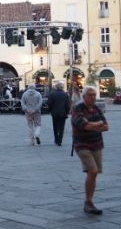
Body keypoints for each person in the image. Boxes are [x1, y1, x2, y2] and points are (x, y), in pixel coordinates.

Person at [71, 86, 108, 215]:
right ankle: (88, 202)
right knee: (93, 170)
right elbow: (83, 126)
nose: (93, 97)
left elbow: (106, 126)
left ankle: (89, 201)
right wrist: (97, 124)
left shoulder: (96, 108)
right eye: (90, 95)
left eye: (94, 95)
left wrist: (93, 125)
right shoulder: (77, 108)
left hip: (96, 144)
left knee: (93, 173)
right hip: (82, 144)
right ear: (84, 96)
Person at [46, 81, 71, 146]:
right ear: (62, 87)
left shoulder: (52, 94)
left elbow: (49, 103)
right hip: (63, 113)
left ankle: (56, 139)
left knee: (55, 127)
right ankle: (60, 141)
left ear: (56, 87)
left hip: (54, 113)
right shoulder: (65, 94)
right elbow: (67, 105)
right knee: (61, 127)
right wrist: (67, 111)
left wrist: (50, 110)